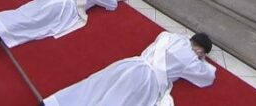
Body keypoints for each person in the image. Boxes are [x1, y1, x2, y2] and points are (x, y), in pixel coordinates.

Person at [41, 31, 216, 106]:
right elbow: (208, 76)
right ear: (200, 49)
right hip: (146, 82)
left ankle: (56, 103)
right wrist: (201, 59)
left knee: (95, 86)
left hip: (131, 65)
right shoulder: (191, 59)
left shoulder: (169, 36)